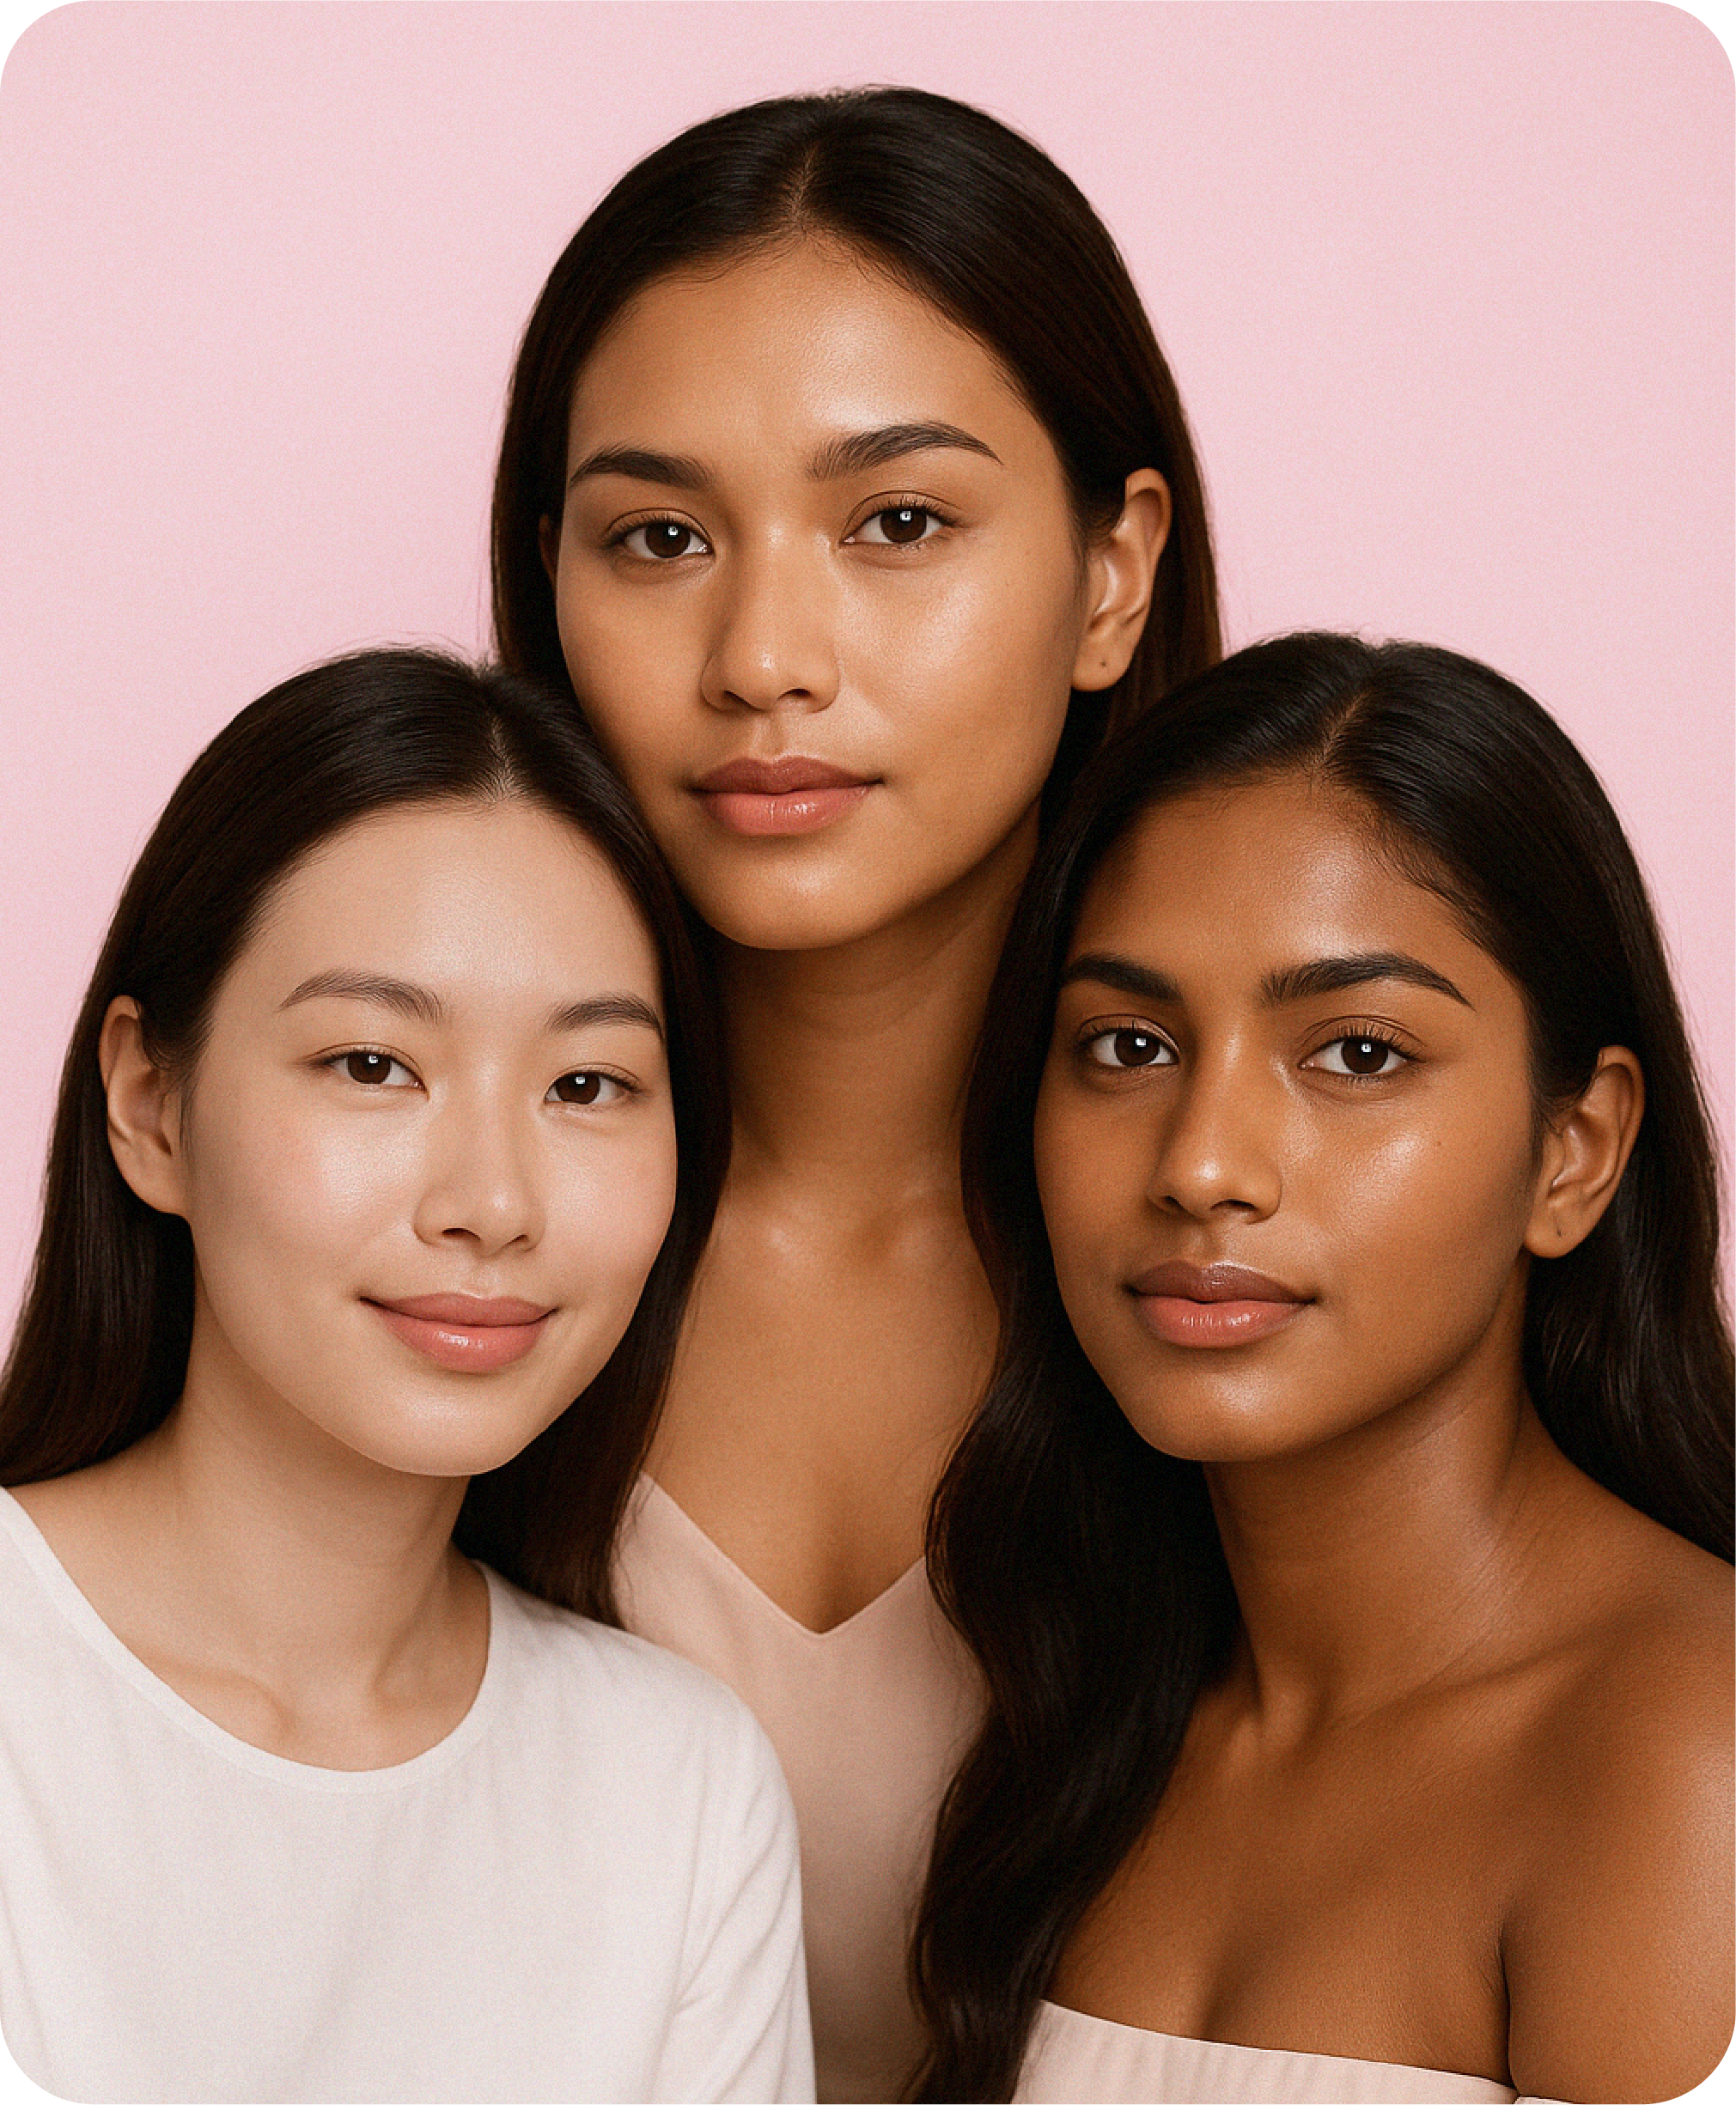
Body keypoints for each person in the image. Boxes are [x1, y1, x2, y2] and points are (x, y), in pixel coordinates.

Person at [491, 85, 1221, 2102]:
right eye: (655, 537)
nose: (760, 657)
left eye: (895, 521)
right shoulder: (421, 1233)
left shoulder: (1286, 1246)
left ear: (1108, 572)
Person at [911, 632, 1736, 2105]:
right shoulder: (1095, 1719)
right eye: (1126, 1043)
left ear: (1577, 1150)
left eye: (1355, 1053)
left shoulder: (1685, 1752)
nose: (1204, 1163)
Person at [0, 649, 813, 2105]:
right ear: (150, 1103)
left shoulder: (675, 1797)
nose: (491, 1201)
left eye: (587, 1086)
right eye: (373, 1064)